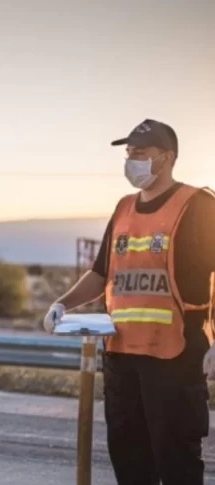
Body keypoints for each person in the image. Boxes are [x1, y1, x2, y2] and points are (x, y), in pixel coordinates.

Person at [43, 119, 215, 485]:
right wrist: (62, 304)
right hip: (121, 357)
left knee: (177, 462)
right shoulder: (123, 209)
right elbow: (101, 274)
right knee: (130, 463)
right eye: (129, 153)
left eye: (141, 153)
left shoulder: (198, 206)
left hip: (175, 357)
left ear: (166, 157)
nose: (131, 160)